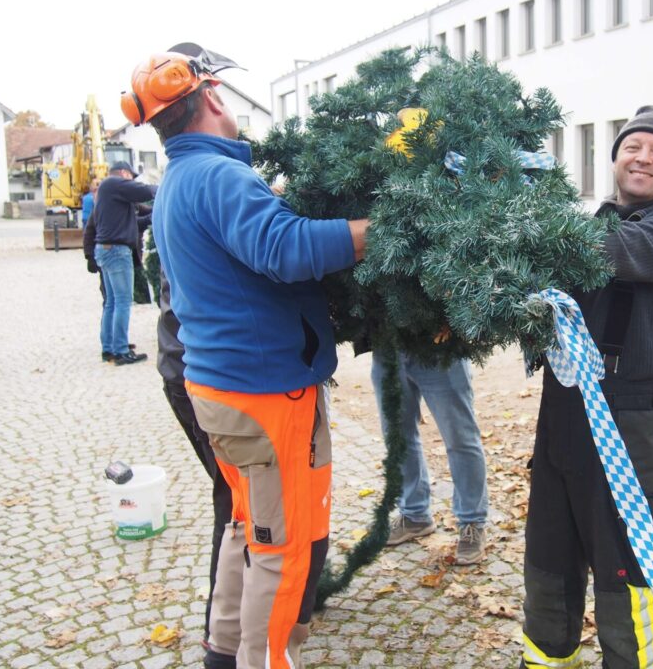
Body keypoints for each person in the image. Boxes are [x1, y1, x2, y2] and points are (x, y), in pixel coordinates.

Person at [124, 43, 369, 669]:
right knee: (281, 548)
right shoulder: (218, 175)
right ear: (210, 97)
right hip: (264, 396)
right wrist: (377, 229)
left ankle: (225, 652)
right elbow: (285, 249)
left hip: (223, 393)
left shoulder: (183, 177)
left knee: (247, 529)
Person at [520, 106, 653, 669]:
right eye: (633, 146)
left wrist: (528, 205)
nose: (643, 157)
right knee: (549, 566)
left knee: (630, 576)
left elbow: (606, 253)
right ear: (615, 157)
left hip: (626, 424)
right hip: (563, 419)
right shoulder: (594, 220)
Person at [157, 266, 232, 649]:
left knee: (242, 499)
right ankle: (220, 636)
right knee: (235, 502)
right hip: (198, 377)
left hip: (184, 369)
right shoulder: (206, 205)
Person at [371, 351, 489, 564]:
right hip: (388, 349)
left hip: (440, 349)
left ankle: (472, 523)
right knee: (397, 436)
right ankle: (415, 515)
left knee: (460, 439)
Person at [92, 160, 157, 365]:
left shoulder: (107, 192)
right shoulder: (112, 183)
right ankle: (120, 350)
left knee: (111, 302)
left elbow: (131, 223)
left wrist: (151, 218)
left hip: (107, 249)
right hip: (117, 251)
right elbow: (144, 191)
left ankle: (109, 347)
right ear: (123, 173)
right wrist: (166, 188)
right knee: (122, 301)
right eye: (131, 177)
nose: (132, 182)